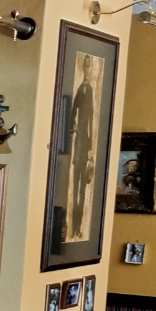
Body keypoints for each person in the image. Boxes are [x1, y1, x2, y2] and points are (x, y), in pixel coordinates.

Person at [69, 54, 97, 241]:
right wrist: (74, 126)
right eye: (85, 65)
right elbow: (72, 113)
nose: (87, 69)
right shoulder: (81, 89)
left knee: (82, 188)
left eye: (89, 66)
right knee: (76, 185)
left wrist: (91, 147)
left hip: (85, 144)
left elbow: (91, 118)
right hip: (79, 144)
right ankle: (74, 227)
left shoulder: (90, 89)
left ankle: (78, 227)